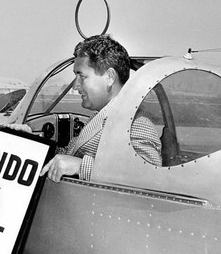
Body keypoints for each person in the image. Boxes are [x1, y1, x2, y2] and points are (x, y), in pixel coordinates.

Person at [40, 34, 162, 182]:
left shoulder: (136, 124)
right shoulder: (102, 116)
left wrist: (81, 167)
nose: (75, 85)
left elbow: (151, 178)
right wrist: (29, 141)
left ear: (110, 77)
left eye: (82, 76)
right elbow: (68, 156)